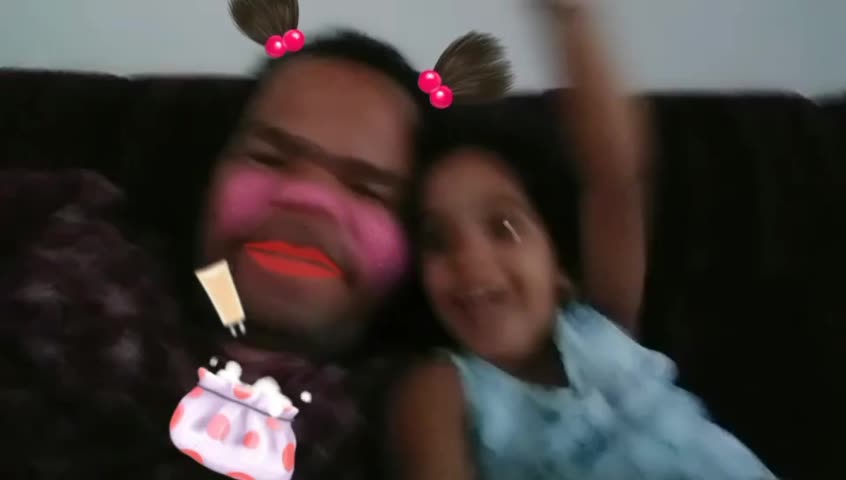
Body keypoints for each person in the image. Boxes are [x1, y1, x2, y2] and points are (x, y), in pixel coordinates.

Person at [2, 30, 436, 480]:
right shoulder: (75, 220)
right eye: (268, 158)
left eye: (367, 189)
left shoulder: (416, 420)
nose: (307, 199)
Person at [388, 2, 776, 479]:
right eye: (436, 240)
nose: (471, 260)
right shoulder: (441, 387)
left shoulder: (599, 329)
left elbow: (614, 180)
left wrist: (570, 17)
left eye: (504, 227)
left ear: (559, 267)